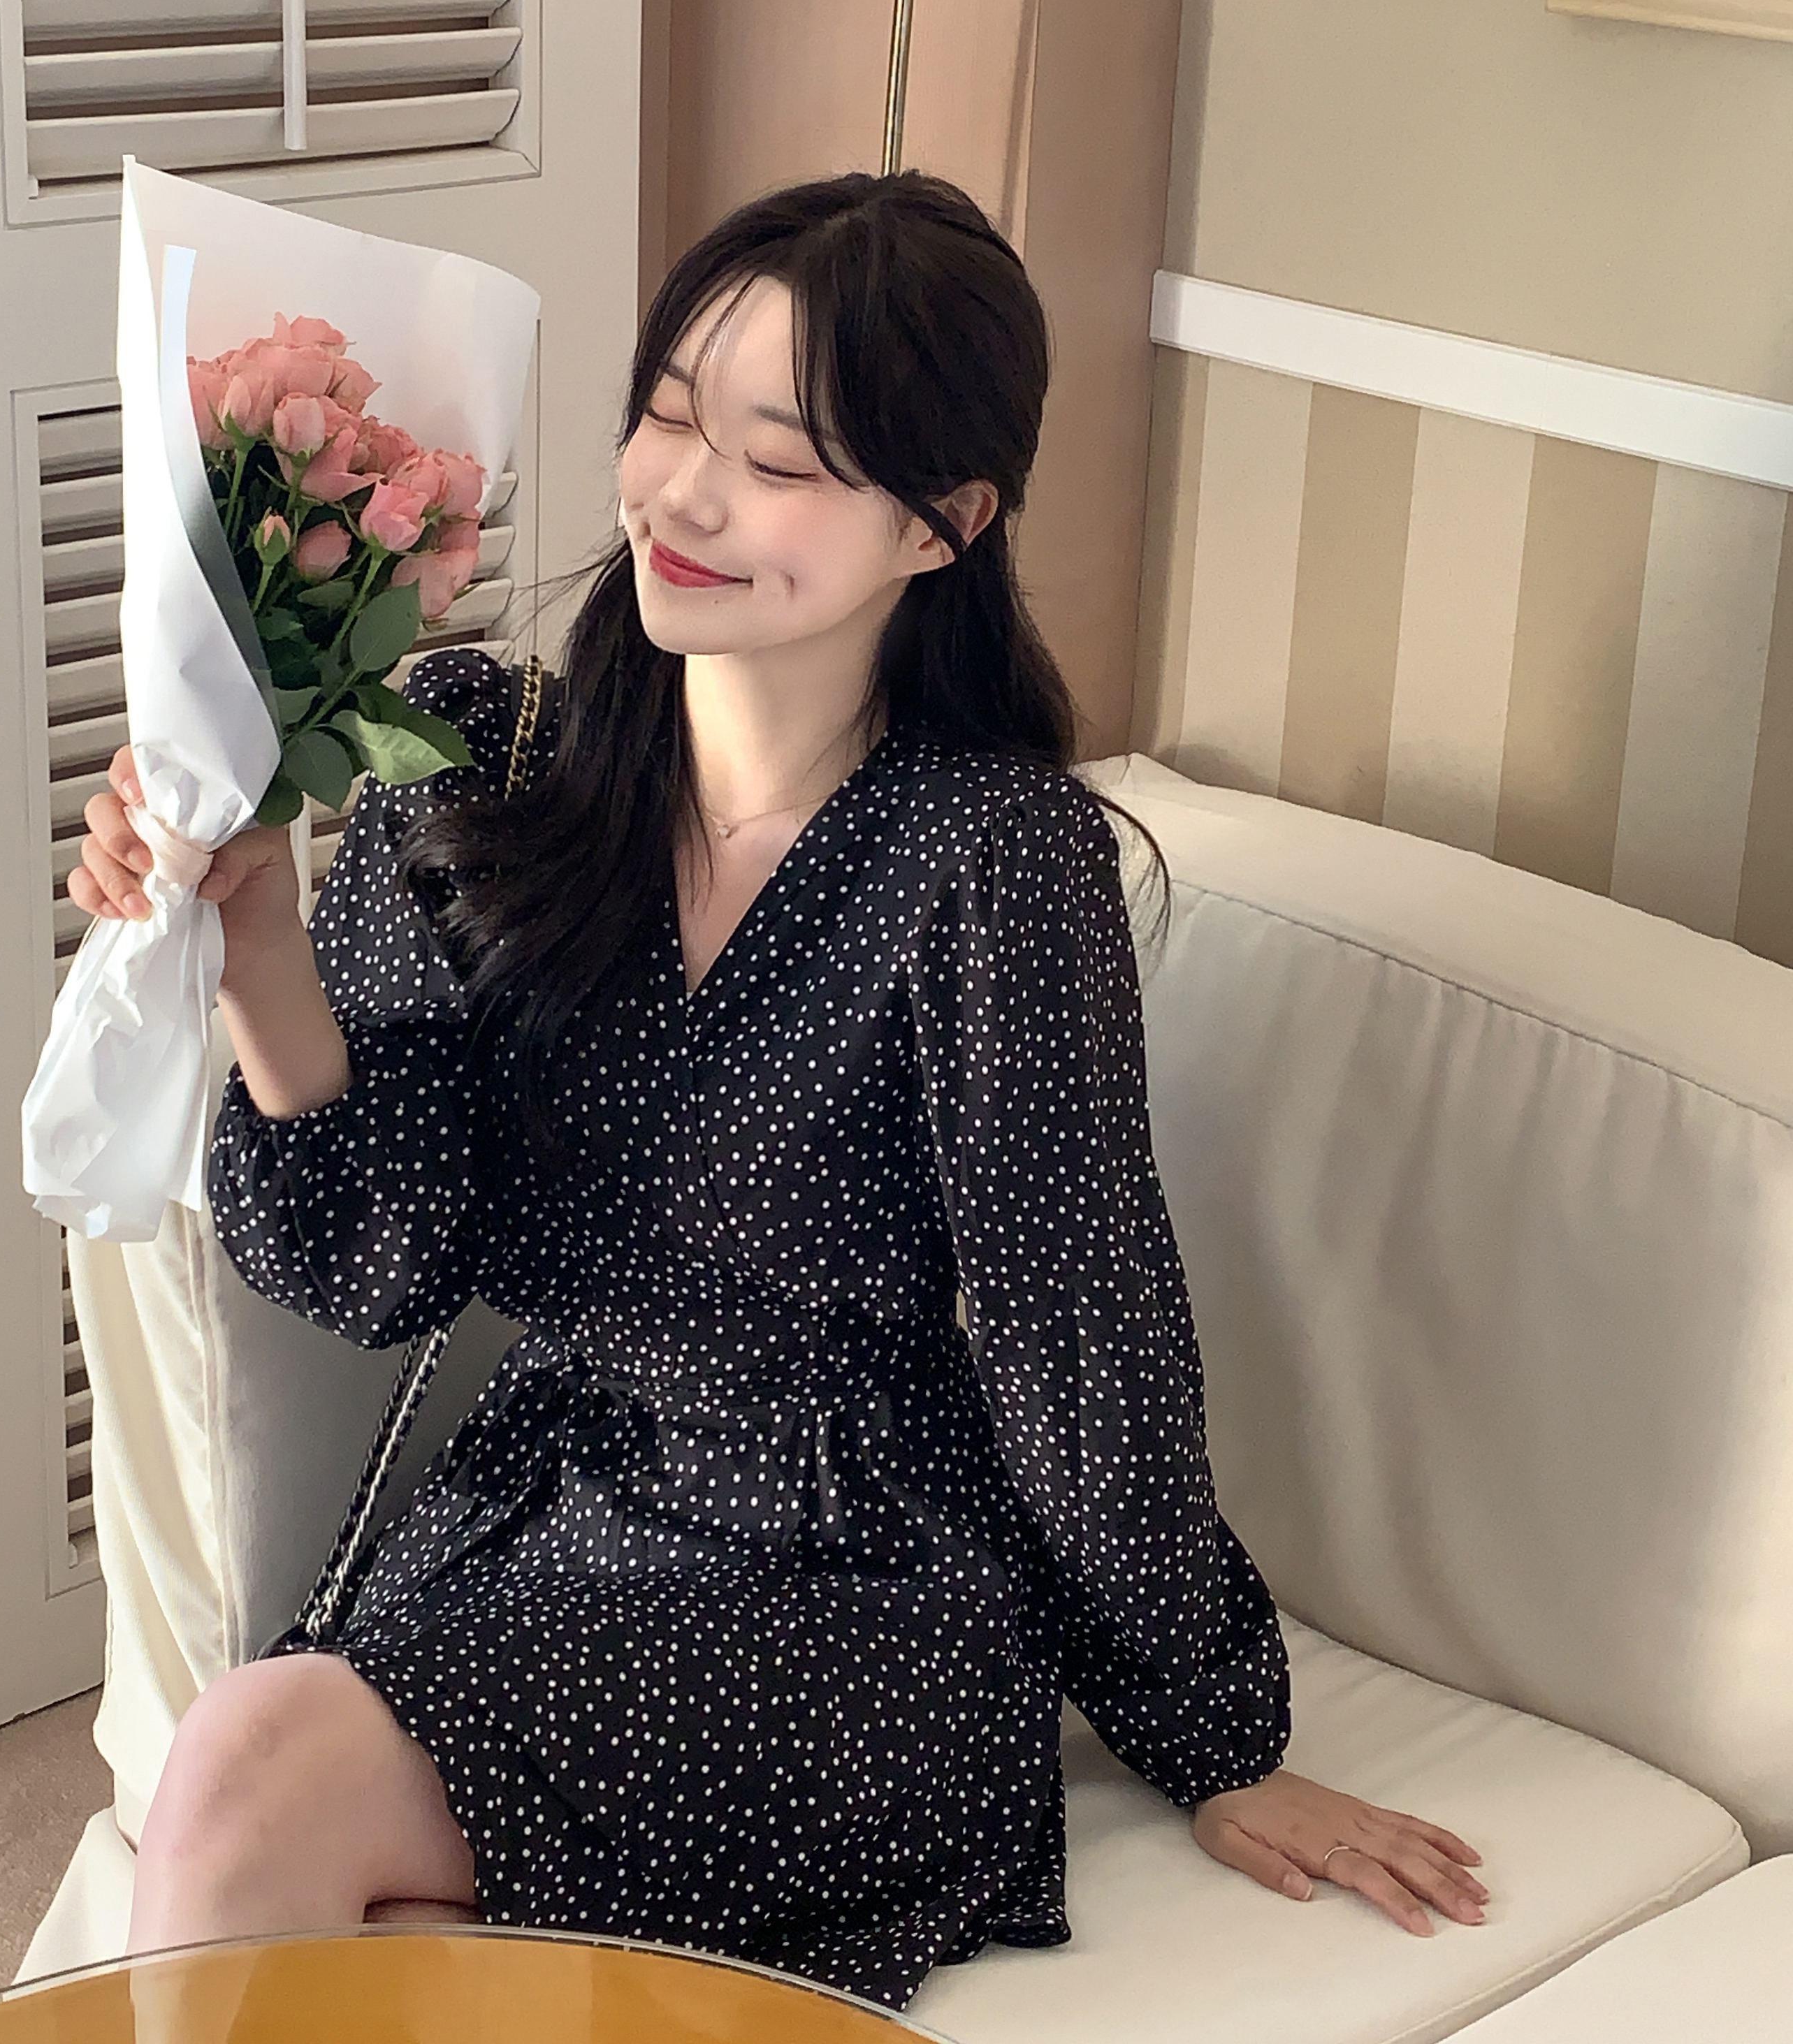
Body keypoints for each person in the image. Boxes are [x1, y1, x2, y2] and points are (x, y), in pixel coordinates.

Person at [71, 173, 1488, 2010]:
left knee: (255, 1775)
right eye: (668, 416)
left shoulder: (993, 862)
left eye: (781, 459)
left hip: (865, 1585)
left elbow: (1074, 1324)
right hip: (550, 1520)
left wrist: (1215, 1735)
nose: (683, 495)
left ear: (942, 524)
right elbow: (382, 1263)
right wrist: (256, 938)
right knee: (354, 1940)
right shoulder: (484, 760)